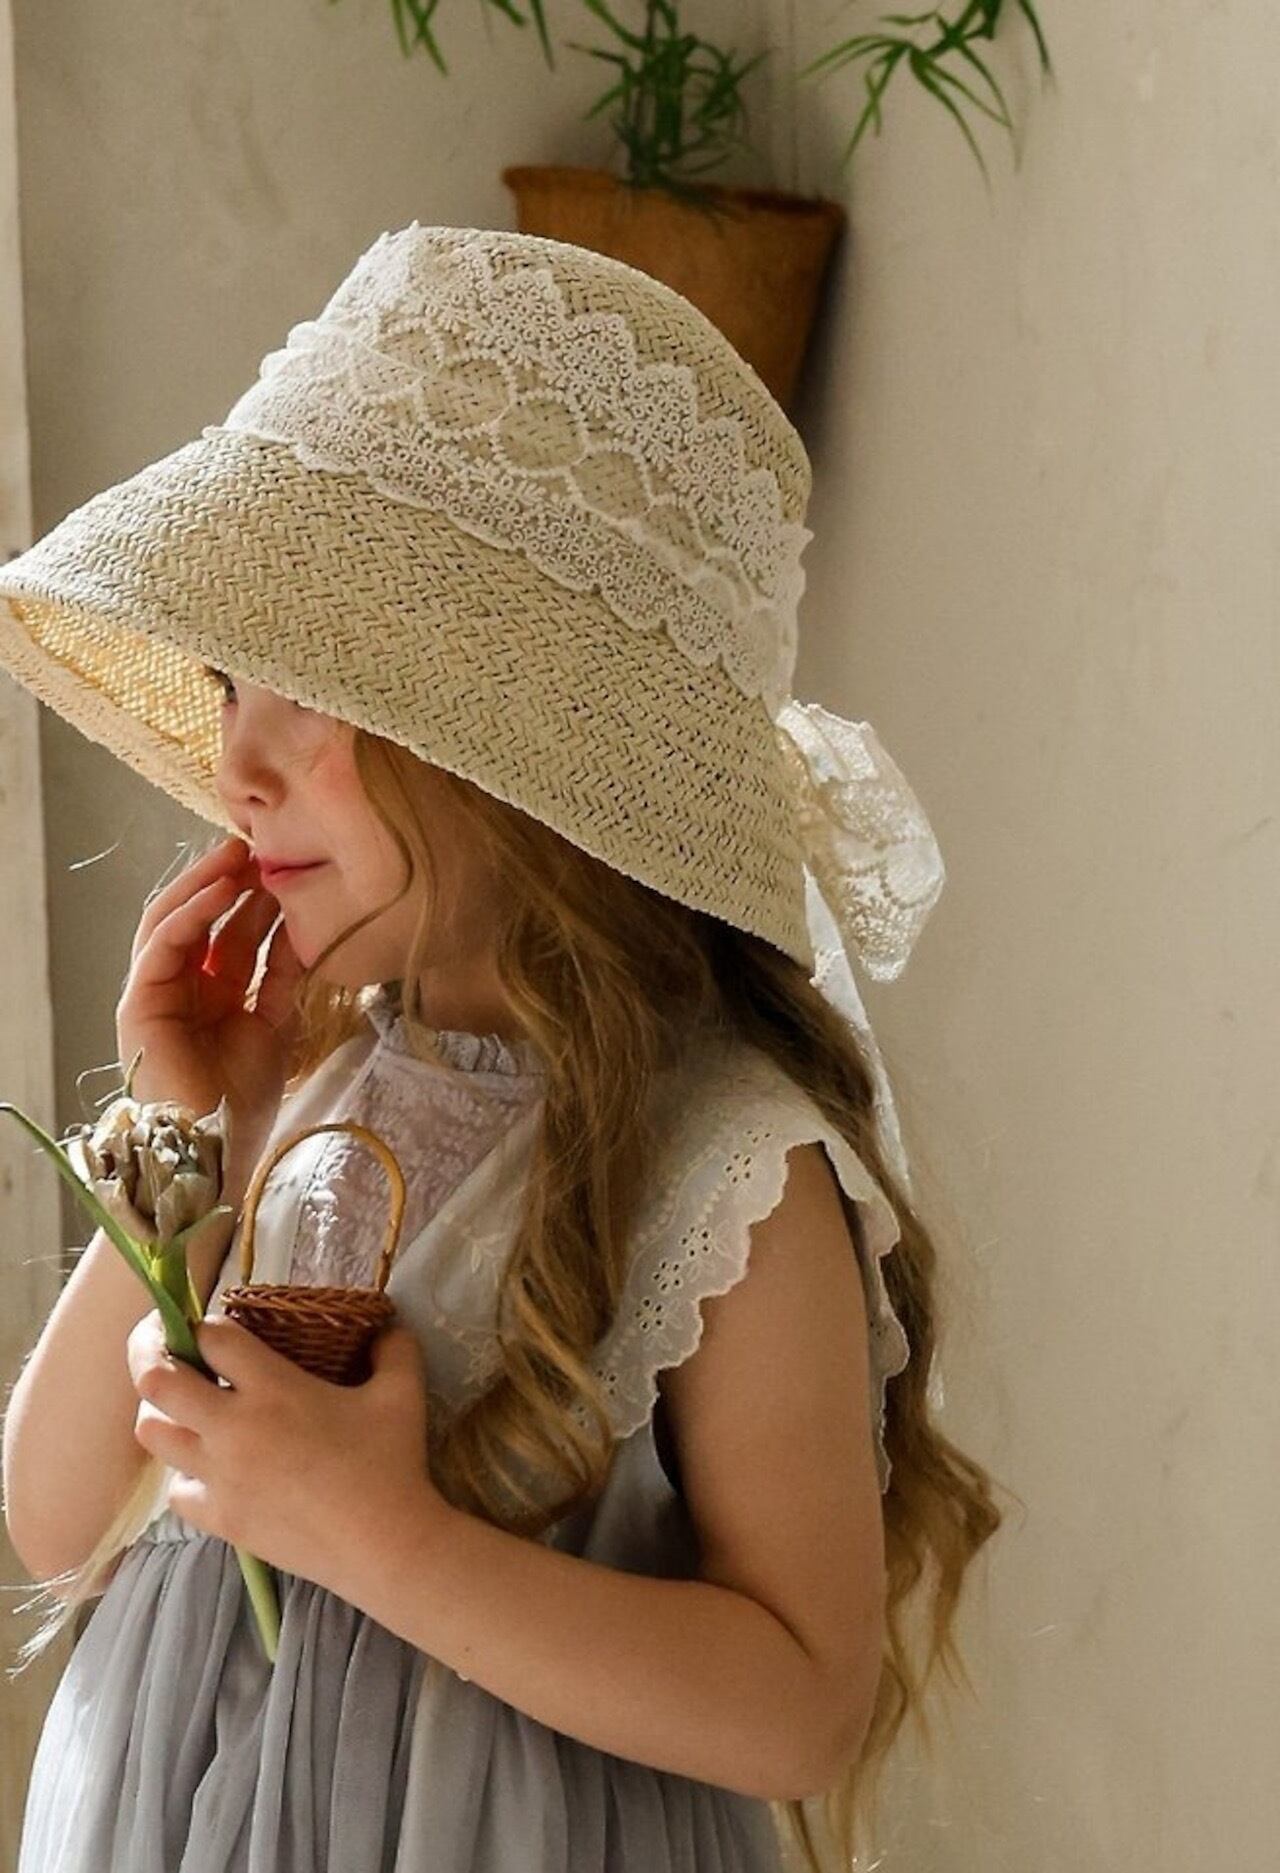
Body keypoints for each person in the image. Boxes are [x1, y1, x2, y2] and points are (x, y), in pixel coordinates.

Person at [0, 224, 1001, 1873]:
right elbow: (53, 1519)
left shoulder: (731, 1173)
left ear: (511, 741)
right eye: (233, 678)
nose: (236, 764)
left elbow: (801, 1701)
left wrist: (377, 1536)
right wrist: (189, 1139)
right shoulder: (304, 1082)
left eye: (311, 689)